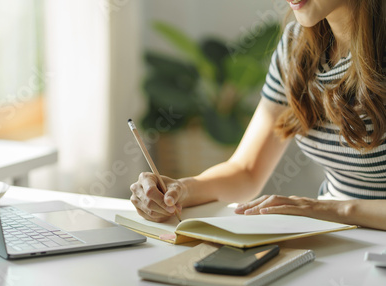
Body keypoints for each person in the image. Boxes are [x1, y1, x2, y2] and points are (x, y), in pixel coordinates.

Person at [130, 0, 386, 230]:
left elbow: (334, 211)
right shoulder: (297, 46)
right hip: (340, 236)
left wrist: (332, 209)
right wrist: (181, 190)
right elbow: (246, 171)